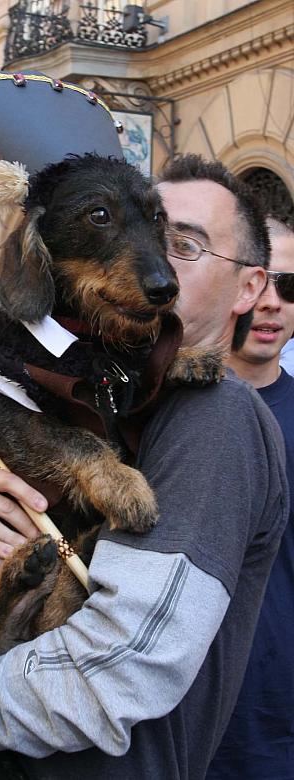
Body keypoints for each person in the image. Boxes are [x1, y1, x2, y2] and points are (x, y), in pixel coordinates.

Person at [0, 155, 289, 780]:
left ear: (249, 289)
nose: (159, 267)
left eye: (183, 245)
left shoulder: (214, 414)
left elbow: (120, 668)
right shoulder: (120, 391)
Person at [207, 218, 294, 779]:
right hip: (175, 723)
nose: (271, 303)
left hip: (279, 726)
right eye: (257, 282)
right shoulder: (153, 411)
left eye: (289, 286)